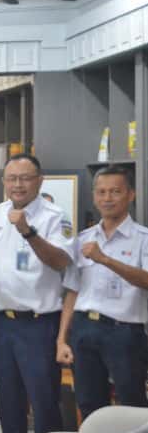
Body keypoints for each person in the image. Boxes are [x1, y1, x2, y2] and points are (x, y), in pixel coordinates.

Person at [0, 154, 75, 433]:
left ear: (40, 181)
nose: (17, 184)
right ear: (4, 181)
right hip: (3, 324)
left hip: (38, 324)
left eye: (25, 178)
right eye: (11, 178)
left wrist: (28, 232)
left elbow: (60, 262)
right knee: (9, 406)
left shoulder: (55, 217)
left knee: (44, 406)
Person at [56, 165, 148, 419]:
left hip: (125, 332)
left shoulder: (143, 238)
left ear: (131, 195)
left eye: (115, 192)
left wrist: (105, 259)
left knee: (132, 406)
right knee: (89, 406)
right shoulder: (84, 238)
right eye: (101, 192)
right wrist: (62, 339)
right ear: (95, 197)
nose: (107, 198)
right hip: (84, 329)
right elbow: (72, 291)